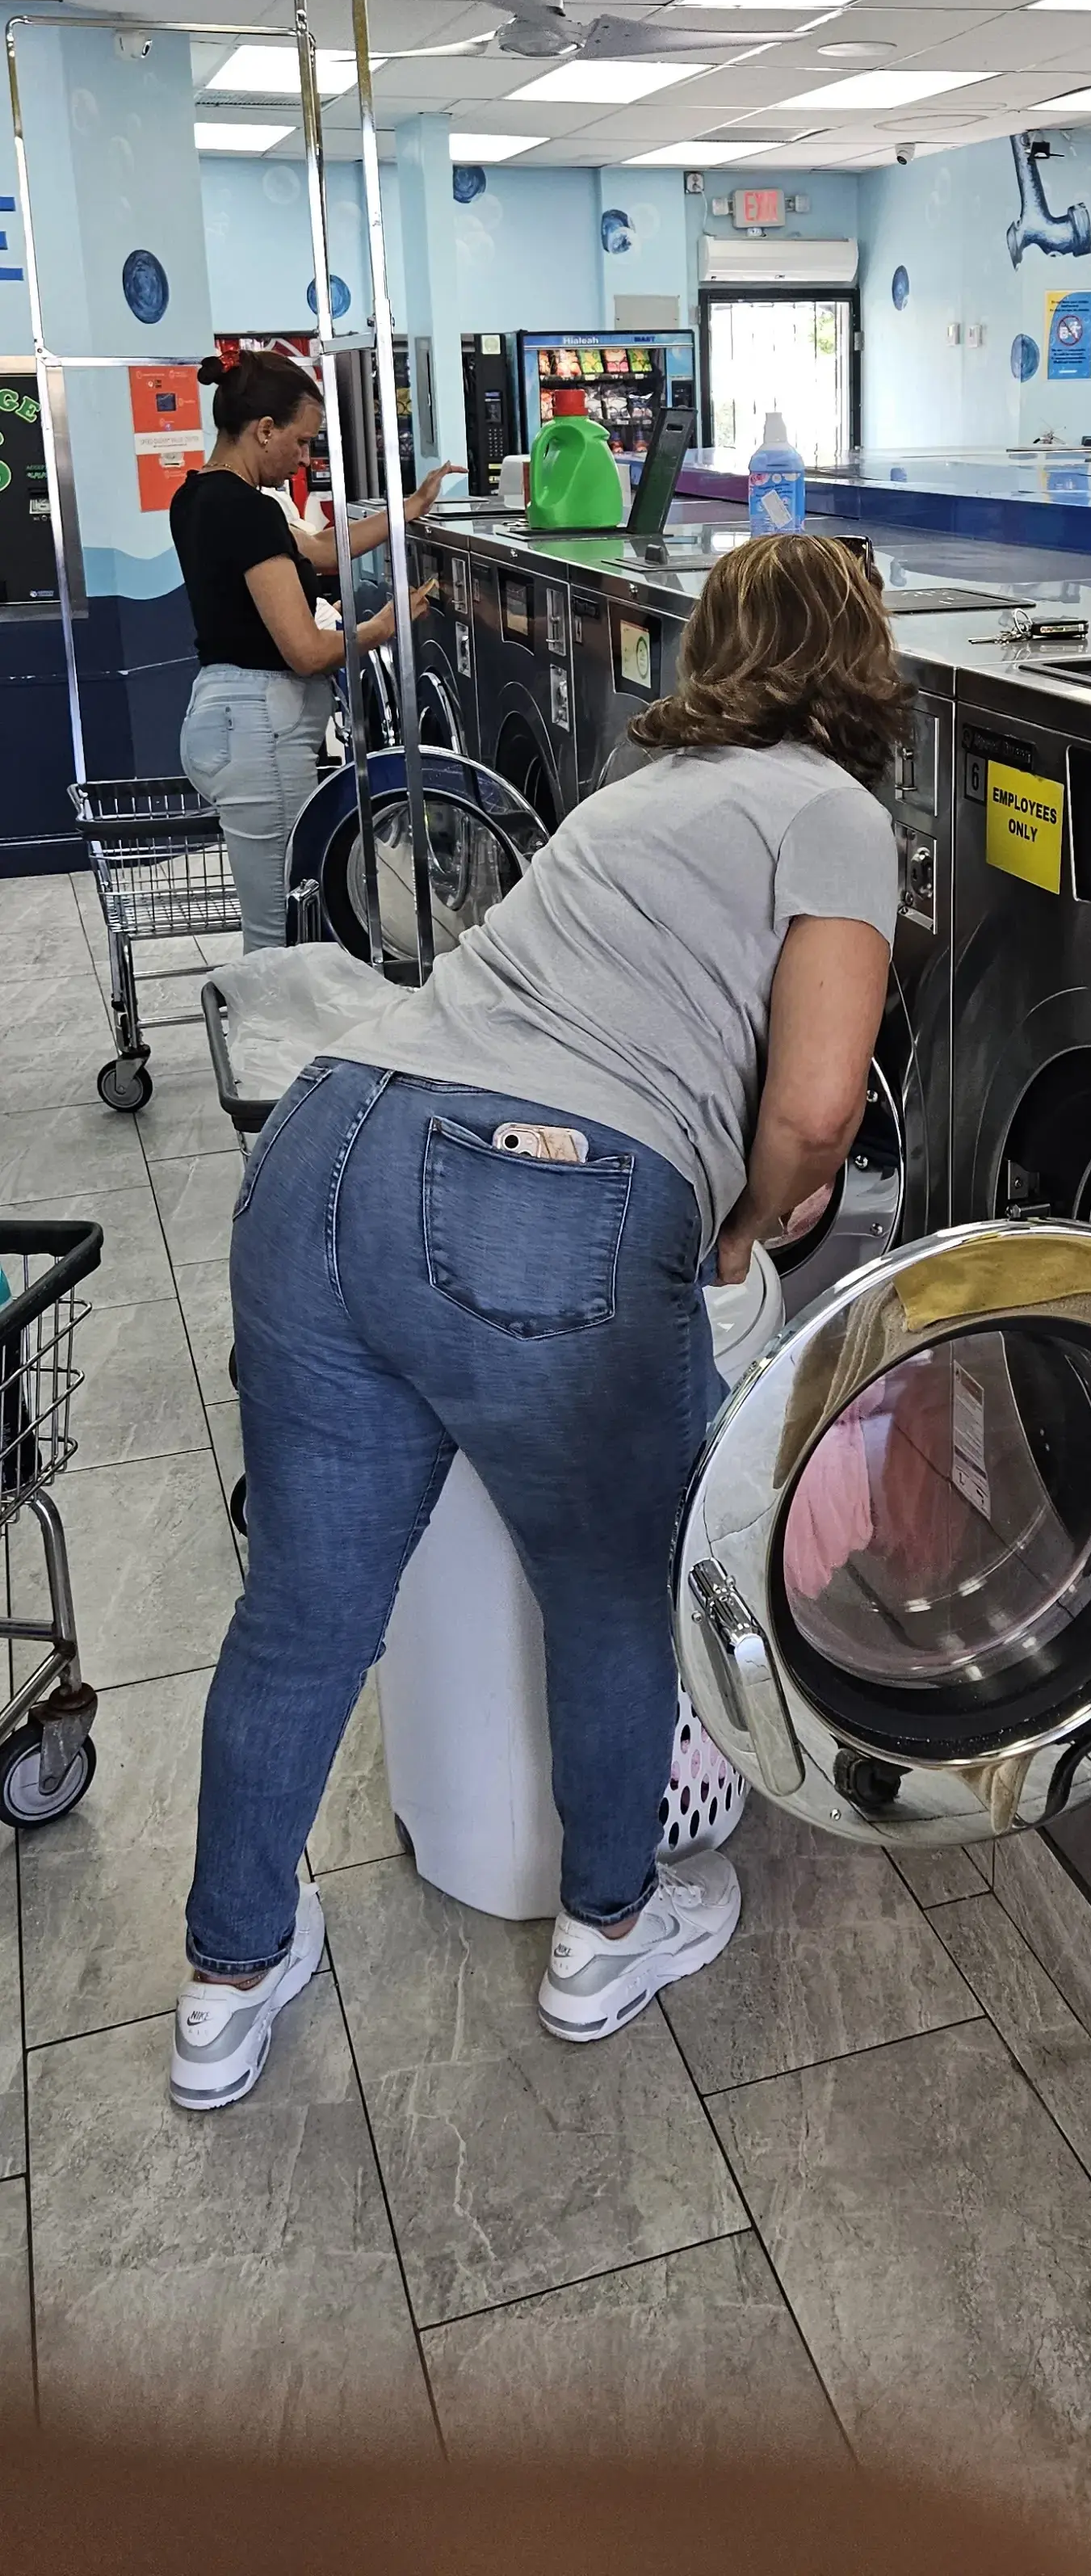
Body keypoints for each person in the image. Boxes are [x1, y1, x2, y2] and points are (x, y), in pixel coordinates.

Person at [172, 533, 905, 2107]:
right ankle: (605, 1937)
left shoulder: (638, 791)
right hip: (537, 1183)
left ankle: (226, 1981)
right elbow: (822, 1105)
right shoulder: (834, 808)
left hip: (326, 1144)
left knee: (303, 1609)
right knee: (609, 1592)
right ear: (863, 660)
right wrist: (741, 1224)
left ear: (711, 648)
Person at [171, 350, 455, 952]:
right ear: (264, 429)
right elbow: (305, 651)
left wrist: (407, 511)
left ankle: (268, 1043)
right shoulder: (247, 511)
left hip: (224, 718)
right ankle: (267, 1047)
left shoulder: (198, 496)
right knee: (281, 936)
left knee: (279, 920)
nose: (305, 457)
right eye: (301, 442)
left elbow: (323, 550)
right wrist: (383, 627)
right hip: (259, 732)